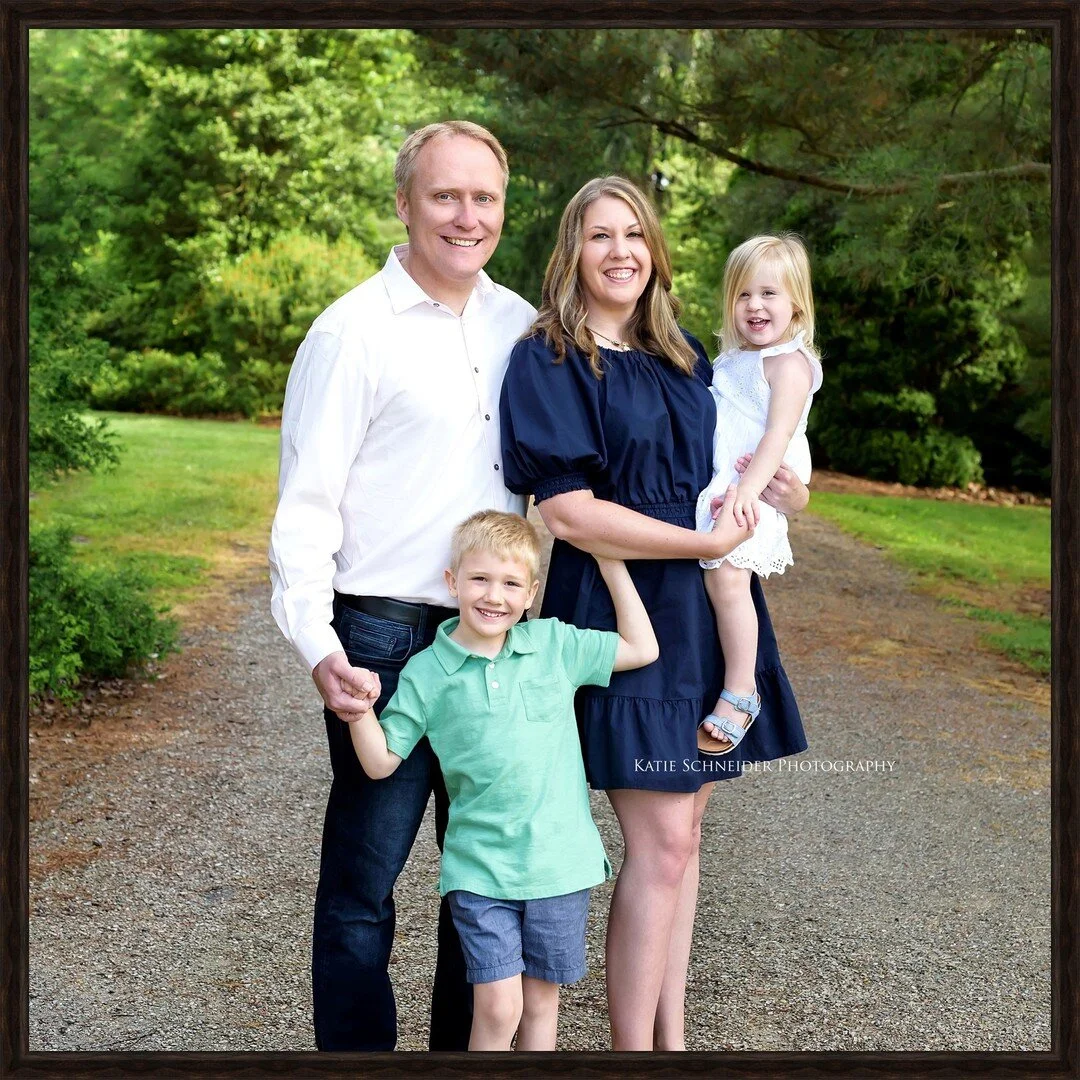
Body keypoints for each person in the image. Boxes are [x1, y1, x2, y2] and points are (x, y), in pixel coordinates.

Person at [499, 176, 809, 1051]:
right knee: (663, 837)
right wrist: (702, 544)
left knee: (686, 835)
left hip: (703, 606)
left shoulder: (683, 354)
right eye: (601, 235)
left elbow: (744, 458)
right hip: (620, 602)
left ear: (656, 251)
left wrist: (786, 492)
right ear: (573, 252)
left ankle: (670, 1041)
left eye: (635, 234)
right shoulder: (551, 357)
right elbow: (567, 513)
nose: (621, 251)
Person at [268, 121, 536, 1052]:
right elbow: (305, 507)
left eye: (485, 197)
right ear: (404, 204)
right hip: (383, 637)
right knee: (363, 883)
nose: (468, 217)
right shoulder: (351, 332)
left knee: (484, 881)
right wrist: (319, 645)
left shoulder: (521, 325)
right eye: (445, 195)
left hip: (495, 638)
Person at [347, 510, 659, 1051]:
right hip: (480, 869)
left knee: (539, 1005)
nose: (494, 596)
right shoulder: (427, 672)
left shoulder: (553, 645)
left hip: (559, 865)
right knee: (498, 1005)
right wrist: (358, 713)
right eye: (480, 579)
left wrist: (610, 561)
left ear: (531, 592)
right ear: (453, 582)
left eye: (512, 584)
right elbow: (380, 763)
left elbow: (643, 648)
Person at [694, 234, 823, 756]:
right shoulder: (731, 360)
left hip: (753, 492)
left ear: (797, 303)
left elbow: (777, 434)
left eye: (769, 293)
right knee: (710, 585)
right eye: (743, 294)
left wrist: (746, 491)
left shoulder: (790, 364)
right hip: (721, 488)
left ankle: (742, 690)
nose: (755, 305)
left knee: (728, 580)